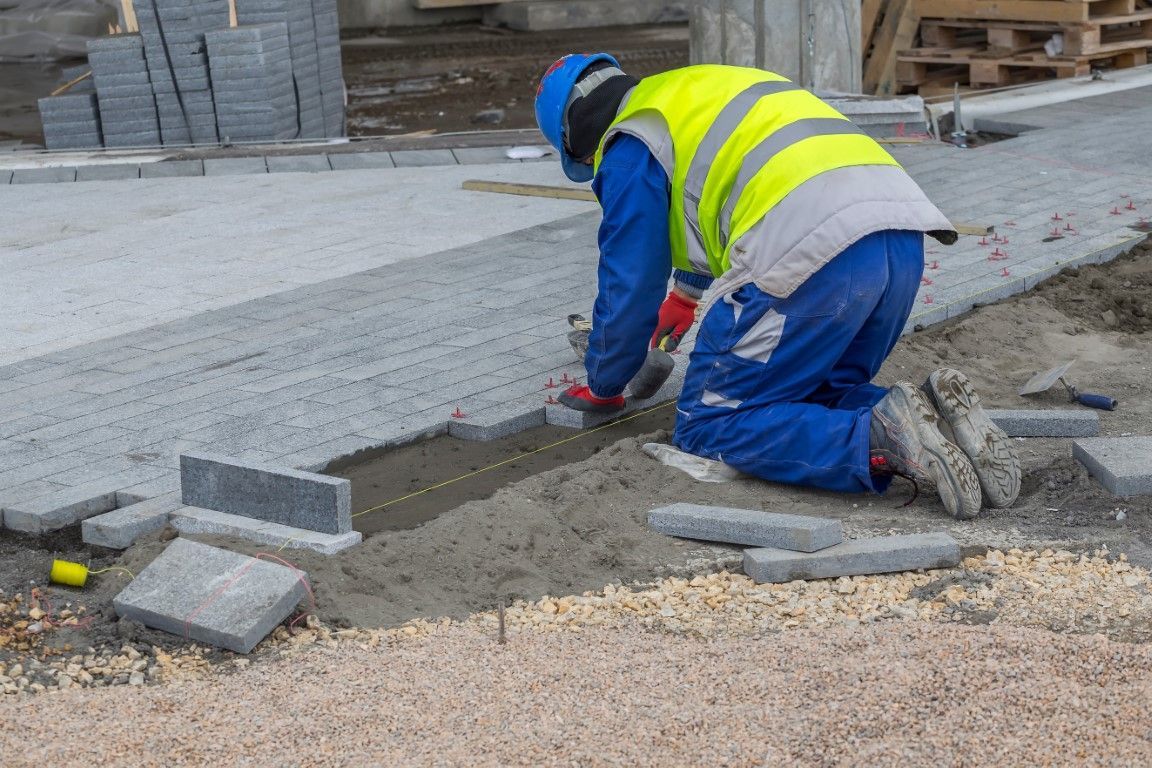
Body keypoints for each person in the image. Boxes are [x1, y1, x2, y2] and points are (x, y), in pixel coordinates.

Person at [534, 54, 1020, 519]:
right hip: (899, 240)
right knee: (810, 395)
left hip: (813, 252)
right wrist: (685, 294)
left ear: (577, 136)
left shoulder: (627, 143)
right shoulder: (684, 93)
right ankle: (944, 423)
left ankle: (877, 437)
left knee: (711, 422)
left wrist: (605, 383)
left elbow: (629, 281)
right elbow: (717, 186)